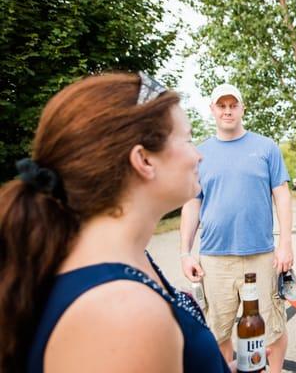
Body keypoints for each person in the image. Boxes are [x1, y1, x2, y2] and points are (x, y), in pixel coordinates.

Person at [0, 73, 232, 372]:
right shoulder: (122, 315)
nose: (198, 155)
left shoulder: (128, 259)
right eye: (187, 139)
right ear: (144, 160)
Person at [179, 84, 293, 373]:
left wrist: (285, 244)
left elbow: (282, 195)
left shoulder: (265, 147)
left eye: (233, 105)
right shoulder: (199, 155)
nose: (228, 110)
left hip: (261, 255)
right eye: (222, 105)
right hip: (215, 260)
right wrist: (185, 253)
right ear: (213, 110)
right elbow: (192, 204)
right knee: (218, 330)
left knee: (272, 327)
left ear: (242, 108)